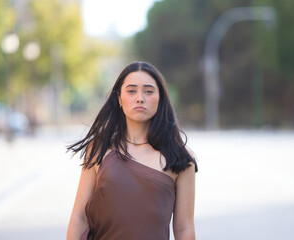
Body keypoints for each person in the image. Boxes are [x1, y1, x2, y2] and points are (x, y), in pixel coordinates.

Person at [66, 61, 198, 240]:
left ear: (161, 99)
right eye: (131, 90)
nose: (140, 98)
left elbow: (184, 228)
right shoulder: (99, 149)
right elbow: (79, 218)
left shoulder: (180, 158)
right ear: (119, 98)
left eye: (149, 91)